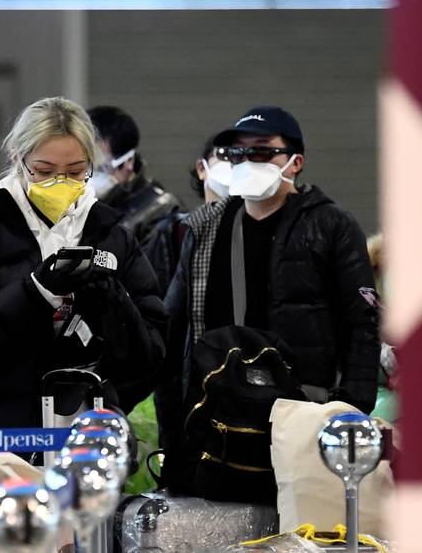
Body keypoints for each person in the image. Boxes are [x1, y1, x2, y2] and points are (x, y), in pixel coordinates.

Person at [0, 97, 167, 432]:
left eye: (76, 171)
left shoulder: (113, 238)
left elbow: (150, 354)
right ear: (18, 160)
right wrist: (36, 293)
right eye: (45, 171)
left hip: (85, 437)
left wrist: (111, 299)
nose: (61, 181)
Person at [157, 105, 380, 454]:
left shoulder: (330, 225)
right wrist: (174, 432)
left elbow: (362, 321)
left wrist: (350, 408)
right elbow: (172, 330)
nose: (248, 161)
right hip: (219, 411)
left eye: (262, 151)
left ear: (296, 162)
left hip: (304, 412)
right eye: (238, 153)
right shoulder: (205, 229)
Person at [143, 136, 233, 296]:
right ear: (201, 169)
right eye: (223, 156)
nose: (231, 164)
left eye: (238, 158)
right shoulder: (176, 232)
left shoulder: (252, 228)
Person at [87, 105, 181, 242]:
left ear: (128, 163)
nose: (87, 175)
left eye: (100, 168)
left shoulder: (160, 212)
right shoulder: (79, 206)